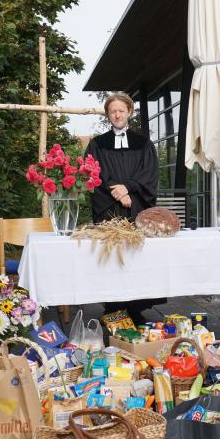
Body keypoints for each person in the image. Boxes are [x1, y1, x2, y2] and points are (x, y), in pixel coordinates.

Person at [84, 93, 163, 322]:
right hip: (108, 210)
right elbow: (93, 173)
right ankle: (113, 309)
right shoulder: (97, 144)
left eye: (121, 110)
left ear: (130, 112)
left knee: (137, 260)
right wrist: (116, 192)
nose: (117, 115)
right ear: (108, 115)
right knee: (110, 260)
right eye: (112, 111)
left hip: (136, 208)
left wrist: (128, 188)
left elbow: (149, 174)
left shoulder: (143, 144)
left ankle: (136, 310)